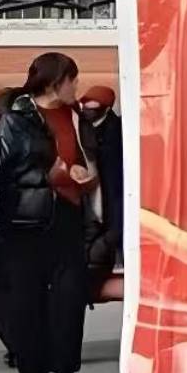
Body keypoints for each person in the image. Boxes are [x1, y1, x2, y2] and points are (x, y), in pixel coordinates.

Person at [0, 54, 97, 373]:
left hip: (69, 216)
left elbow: (88, 159)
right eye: (72, 80)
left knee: (69, 298)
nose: (76, 86)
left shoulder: (77, 117)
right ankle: (32, 371)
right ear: (55, 83)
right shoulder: (15, 121)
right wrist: (46, 177)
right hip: (24, 223)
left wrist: (85, 176)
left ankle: (65, 371)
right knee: (27, 298)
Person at [77, 86, 124, 300]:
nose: (87, 108)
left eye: (93, 105)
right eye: (85, 104)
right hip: (94, 202)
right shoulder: (82, 127)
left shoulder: (115, 133)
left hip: (110, 203)